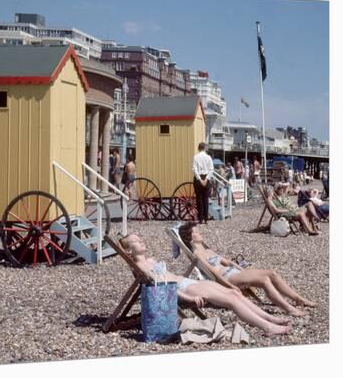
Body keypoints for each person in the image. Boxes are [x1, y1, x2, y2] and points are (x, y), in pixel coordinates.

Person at [121, 234, 291, 336]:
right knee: (231, 301)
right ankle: (268, 327)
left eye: (139, 237)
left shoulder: (150, 260)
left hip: (188, 282)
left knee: (235, 293)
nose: (141, 240)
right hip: (182, 289)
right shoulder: (141, 267)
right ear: (128, 251)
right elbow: (163, 286)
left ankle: (270, 318)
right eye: (135, 241)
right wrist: (189, 298)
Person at [178, 221, 316, 317]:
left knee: (272, 273)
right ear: (190, 238)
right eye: (196, 231)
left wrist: (241, 269)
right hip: (228, 277)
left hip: (235, 272)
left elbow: (228, 262)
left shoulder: (208, 250)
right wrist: (230, 286)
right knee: (264, 279)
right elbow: (214, 274)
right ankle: (289, 309)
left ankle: (299, 299)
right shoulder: (198, 255)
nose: (200, 232)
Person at [192, 142, 214, 225]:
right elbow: (211, 169)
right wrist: (206, 179)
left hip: (198, 179)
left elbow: (194, 169)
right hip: (206, 177)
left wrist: (200, 179)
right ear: (205, 148)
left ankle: (200, 219)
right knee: (205, 199)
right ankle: (206, 219)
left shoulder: (195, 157)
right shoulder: (208, 157)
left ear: (198, 148)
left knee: (199, 199)